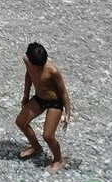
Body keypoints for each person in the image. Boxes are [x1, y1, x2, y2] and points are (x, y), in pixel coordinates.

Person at [16, 42, 71, 171]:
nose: (38, 69)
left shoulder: (53, 71)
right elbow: (29, 75)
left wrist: (67, 113)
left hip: (55, 102)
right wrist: (26, 95)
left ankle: (58, 159)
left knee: (48, 136)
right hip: (39, 98)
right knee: (21, 122)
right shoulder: (27, 61)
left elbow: (63, 92)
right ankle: (36, 147)